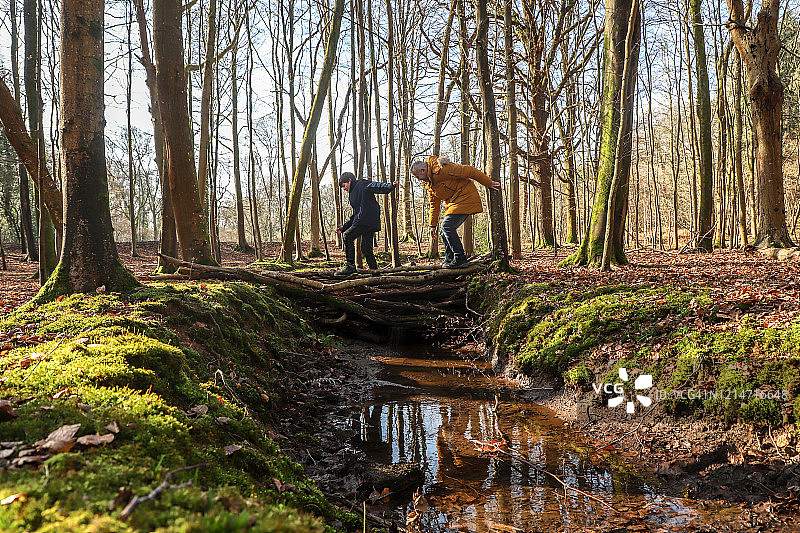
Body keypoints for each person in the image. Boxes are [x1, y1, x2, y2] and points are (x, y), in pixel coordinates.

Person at [410, 155, 501, 268]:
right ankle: (449, 259)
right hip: (453, 203)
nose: (418, 179)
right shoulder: (429, 184)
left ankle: (460, 258)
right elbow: (434, 205)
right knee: (443, 231)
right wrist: (432, 226)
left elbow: (470, 171)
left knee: (447, 227)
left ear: (423, 170)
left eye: (417, 176)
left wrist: (488, 183)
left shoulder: (443, 169)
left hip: (465, 197)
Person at [335, 172, 398, 277]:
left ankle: (350, 266)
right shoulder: (352, 195)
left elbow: (375, 185)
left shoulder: (361, 184)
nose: (344, 189)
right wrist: (343, 228)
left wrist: (389, 186)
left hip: (365, 220)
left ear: (349, 180)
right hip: (368, 222)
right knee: (365, 248)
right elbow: (355, 214)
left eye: (344, 185)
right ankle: (375, 272)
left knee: (347, 236)